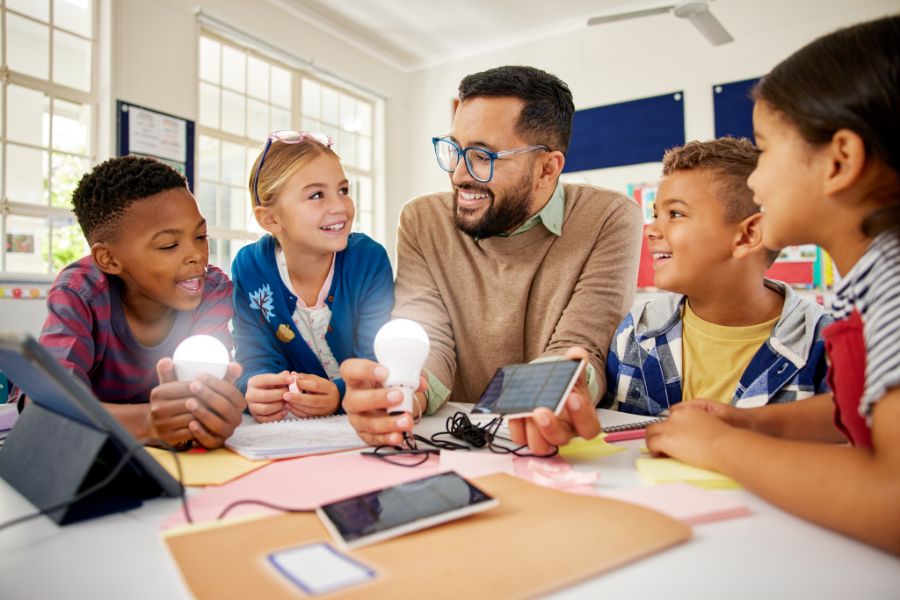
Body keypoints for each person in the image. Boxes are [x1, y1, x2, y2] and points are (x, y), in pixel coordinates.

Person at [645, 15, 900, 555]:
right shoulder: (870, 281)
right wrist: (747, 423)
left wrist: (720, 446)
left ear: (840, 162)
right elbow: (856, 411)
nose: (756, 181)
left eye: (767, 150)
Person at [340, 65, 643, 453]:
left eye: (483, 156)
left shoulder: (610, 217)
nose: (459, 175)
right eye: (455, 150)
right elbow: (428, 336)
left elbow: (583, 343)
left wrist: (547, 396)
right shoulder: (422, 220)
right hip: (448, 445)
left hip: (562, 449)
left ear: (547, 169)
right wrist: (406, 392)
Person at [16, 156, 245, 449]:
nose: (197, 255)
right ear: (109, 259)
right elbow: (51, 403)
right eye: (168, 245)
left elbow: (207, 401)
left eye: (200, 236)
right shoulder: (80, 291)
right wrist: (148, 423)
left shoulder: (212, 291)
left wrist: (215, 413)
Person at [604, 138, 831, 416]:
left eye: (675, 214)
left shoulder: (824, 346)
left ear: (747, 235)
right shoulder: (635, 333)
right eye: (655, 214)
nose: (652, 230)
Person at [231, 131, 393, 422]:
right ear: (270, 219)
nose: (340, 207)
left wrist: (339, 395)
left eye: (343, 190)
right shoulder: (249, 268)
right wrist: (254, 390)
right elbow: (252, 360)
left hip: (363, 424)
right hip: (289, 432)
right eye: (317, 195)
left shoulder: (368, 260)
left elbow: (380, 361)